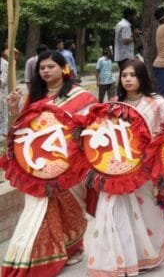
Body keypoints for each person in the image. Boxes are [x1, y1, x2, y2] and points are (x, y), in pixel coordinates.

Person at [3, 51, 97, 276]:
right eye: (42, 68)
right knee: (40, 212)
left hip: (71, 163)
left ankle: (74, 246)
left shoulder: (81, 96)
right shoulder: (34, 97)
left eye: (50, 67)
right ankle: (43, 255)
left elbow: (92, 127)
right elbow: (20, 130)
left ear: (63, 69)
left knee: (73, 206)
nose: (45, 71)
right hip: (39, 164)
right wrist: (14, 108)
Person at [87, 59, 164, 276]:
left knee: (147, 214)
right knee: (114, 212)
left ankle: (145, 257)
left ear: (142, 77)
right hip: (116, 169)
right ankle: (119, 259)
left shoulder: (157, 103)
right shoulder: (114, 103)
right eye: (124, 75)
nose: (127, 79)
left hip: (146, 171)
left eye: (132, 75)